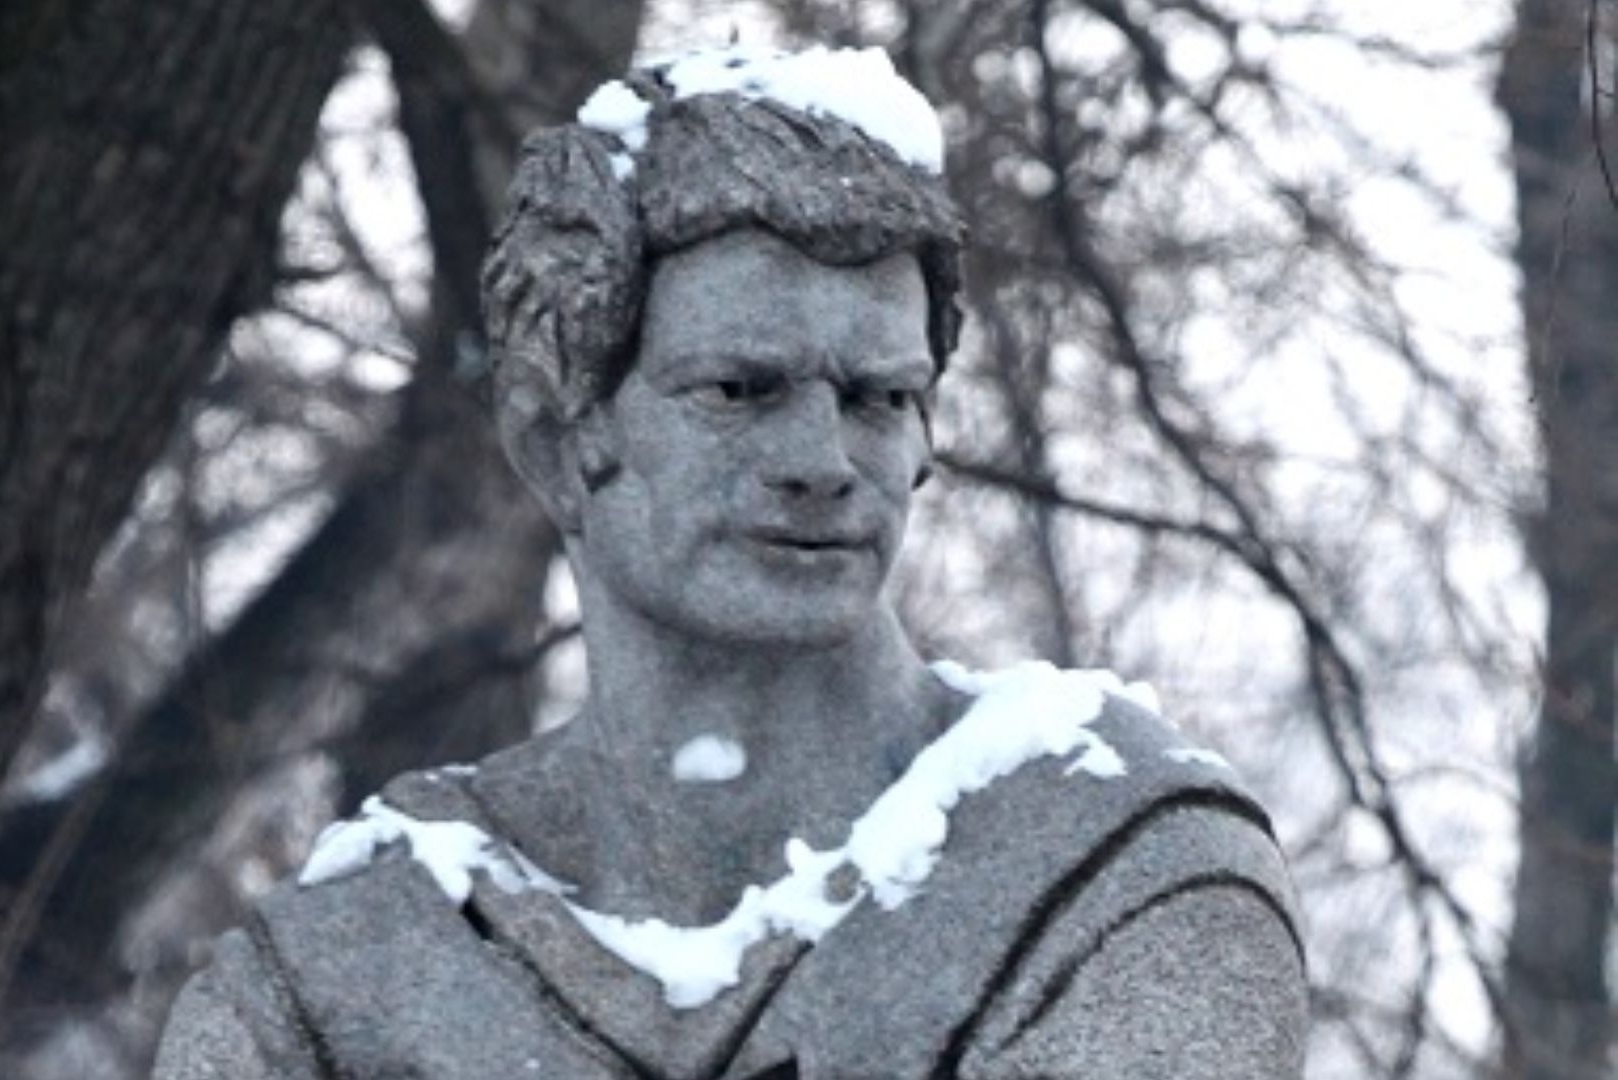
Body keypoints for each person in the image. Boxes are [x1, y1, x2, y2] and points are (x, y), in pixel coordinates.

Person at [154, 45, 1306, 1080]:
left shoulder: (1118, 880)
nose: (821, 460)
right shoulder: (346, 967)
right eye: (739, 391)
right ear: (560, 441)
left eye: (878, 398)